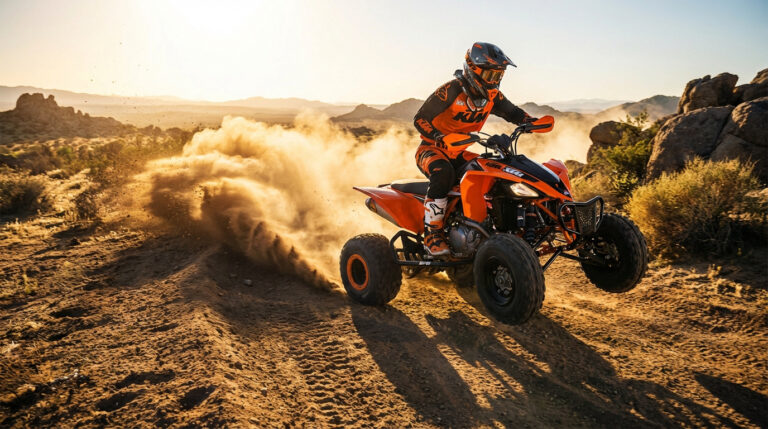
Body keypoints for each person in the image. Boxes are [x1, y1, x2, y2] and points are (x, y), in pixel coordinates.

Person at [413, 42, 537, 256]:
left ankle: (489, 228)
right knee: (443, 173)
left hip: (459, 152)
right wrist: (439, 137)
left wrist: (530, 121)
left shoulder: (492, 97)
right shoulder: (451, 90)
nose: (495, 81)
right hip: (431, 149)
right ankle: (432, 235)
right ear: (473, 70)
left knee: (491, 171)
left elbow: (513, 112)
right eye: (491, 75)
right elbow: (420, 119)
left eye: (499, 76)